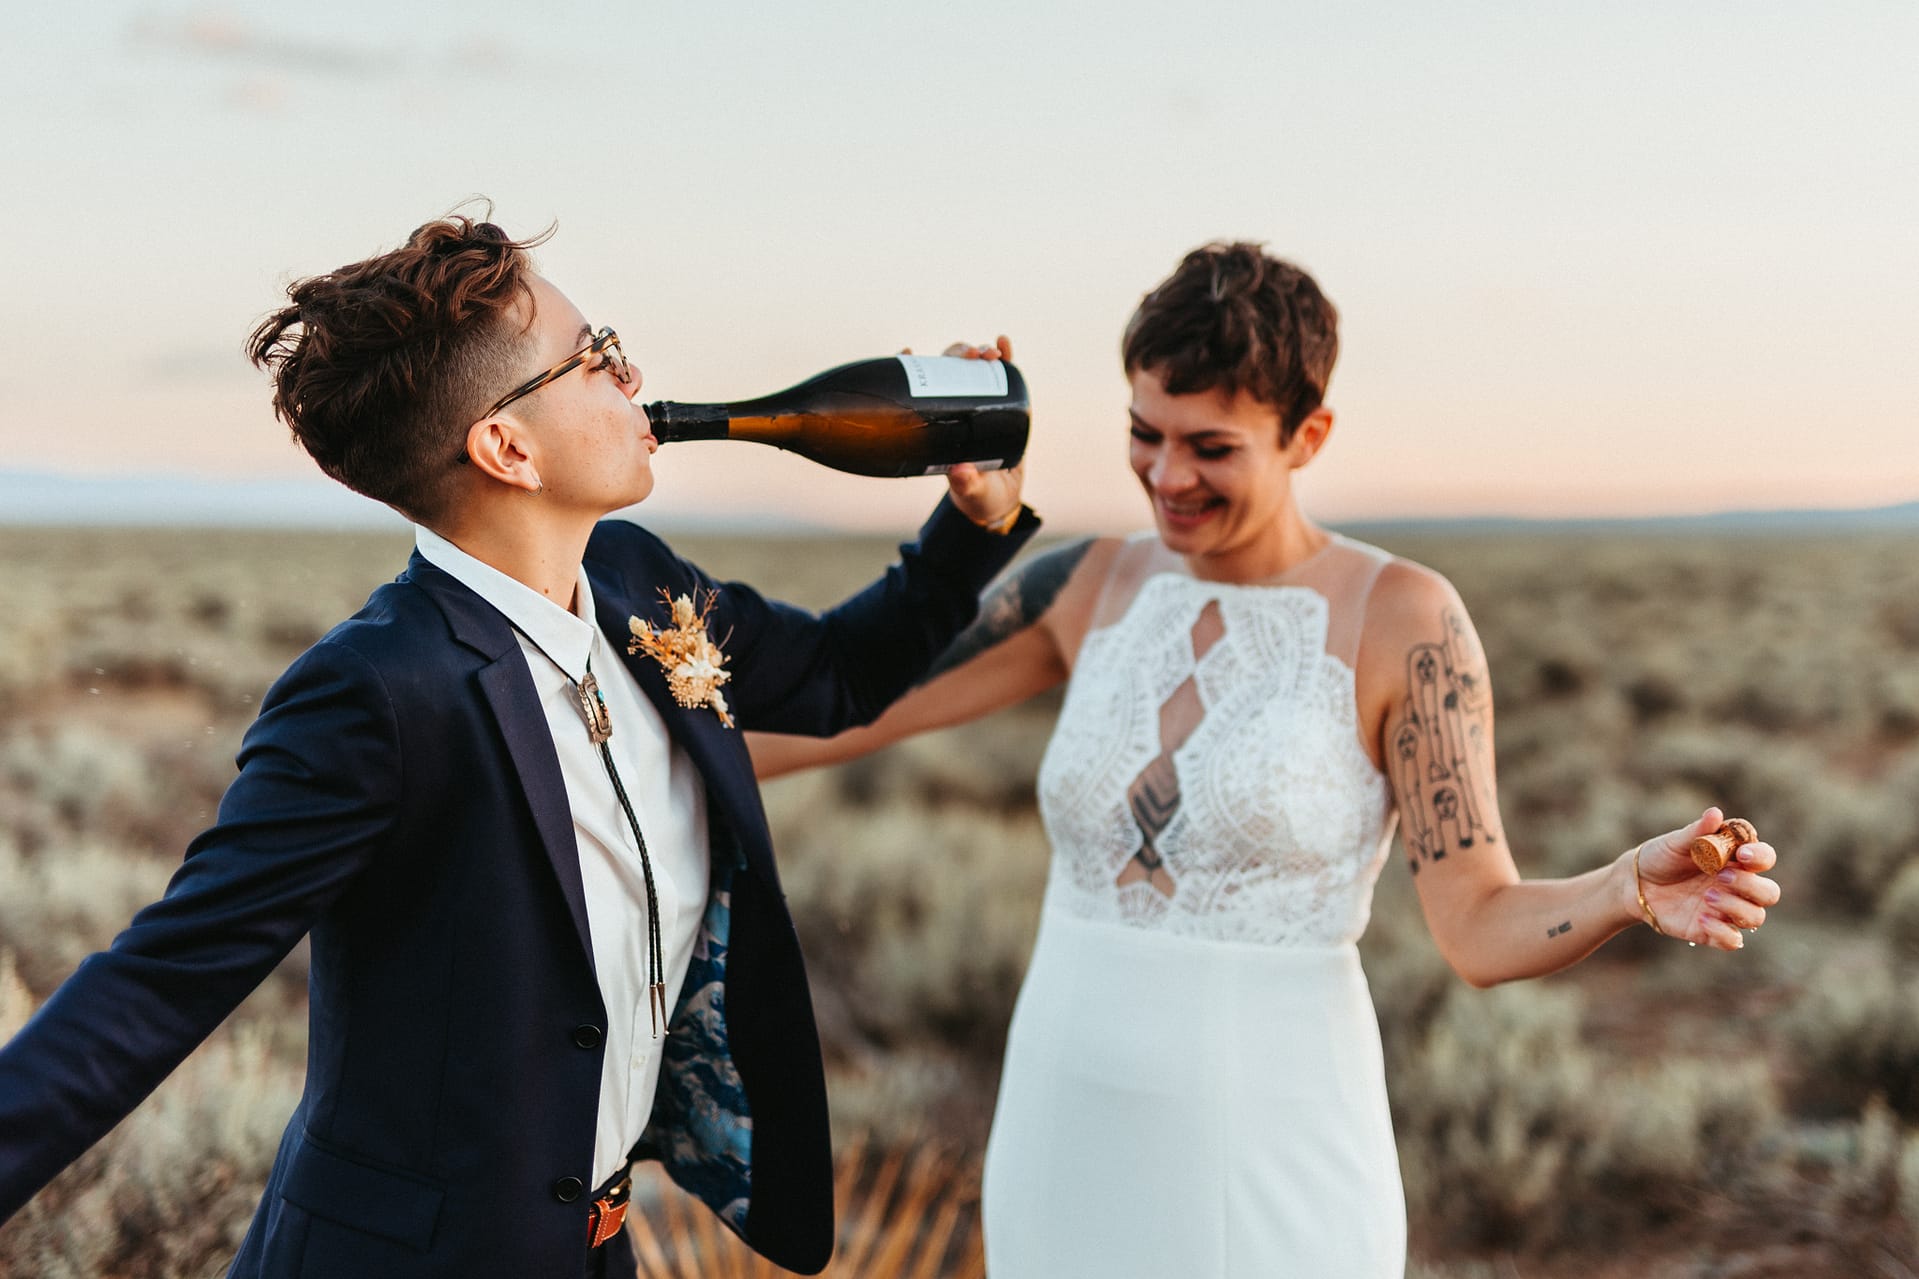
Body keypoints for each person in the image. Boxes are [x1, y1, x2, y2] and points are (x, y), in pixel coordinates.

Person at [0, 213, 1038, 1278]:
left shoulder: (640, 581)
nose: (632, 376)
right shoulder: (375, 691)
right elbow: (161, 980)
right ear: (507, 447)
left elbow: (837, 676)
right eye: (595, 358)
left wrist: (972, 522)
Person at [746, 242, 1783, 1277]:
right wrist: (646, 744)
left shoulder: (1404, 618)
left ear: (1307, 435)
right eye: (1144, 434)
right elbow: (835, 714)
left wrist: (1619, 888)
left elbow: (1476, 924)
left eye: (1210, 446)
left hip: (1272, 1142)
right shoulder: (1084, 584)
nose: (1167, 476)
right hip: (1062, 1123)